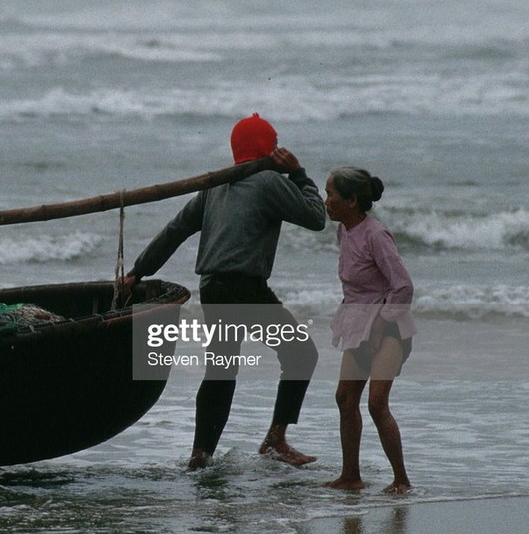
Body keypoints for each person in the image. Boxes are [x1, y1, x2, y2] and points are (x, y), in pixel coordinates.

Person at [118, 113, 326, 469]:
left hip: (213, 287)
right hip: (243, 288)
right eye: (274, 145)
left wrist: (138, 271)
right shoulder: (268, 182)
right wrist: (299, 173)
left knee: (221, 370)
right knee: (301, 353)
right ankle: (275, 440)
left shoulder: (215, 186)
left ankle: (201, 455)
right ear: (264, 148)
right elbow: (316, 217)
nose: (278, 151)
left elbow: (175, 230)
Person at [321, 166, 415, 494]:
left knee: (377, 403)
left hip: (389, 328)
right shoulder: (344, 232)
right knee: (345, 399)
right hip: (357, 323)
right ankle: (351, 476)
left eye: (331, 194)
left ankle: (401, 481)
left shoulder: (376, 235)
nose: (326, 201)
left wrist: (381, 324)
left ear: (352, 200)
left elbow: (403, 287)